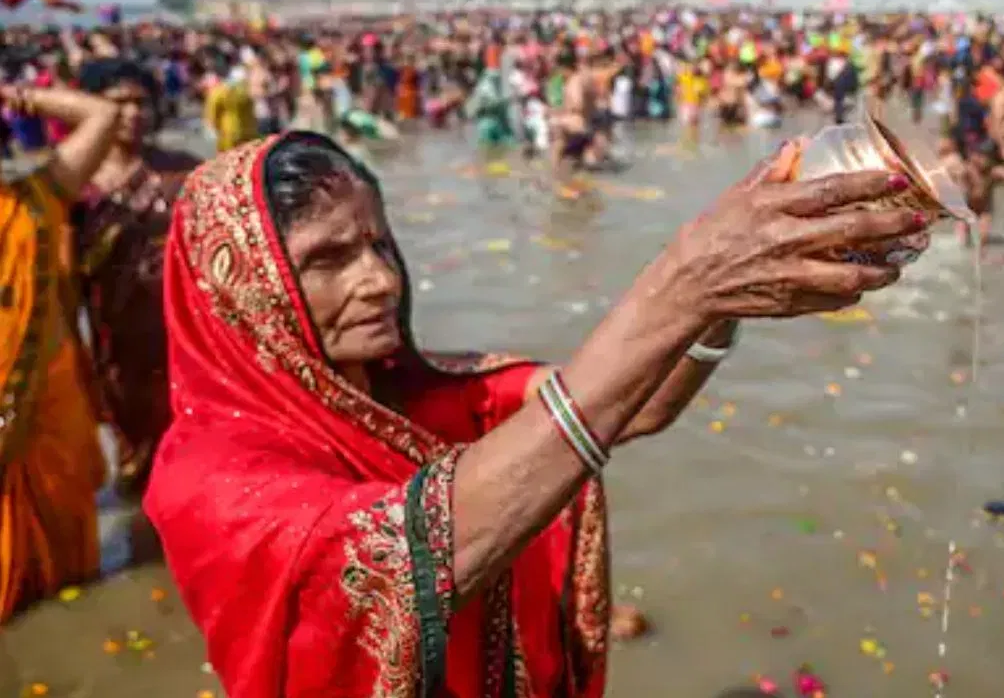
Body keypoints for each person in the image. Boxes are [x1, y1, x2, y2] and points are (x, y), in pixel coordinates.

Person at [144, 131, 928, 697]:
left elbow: (636, 404)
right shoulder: (208, 478)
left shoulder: (413, 392)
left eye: (380, 246)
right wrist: (686, 281)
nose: (379, 280)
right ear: (243, 295)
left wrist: (717, 307)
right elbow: (409, 556)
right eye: (328, 259)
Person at [0, 83, 119, 623]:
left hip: (48, 408)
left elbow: (102, 111)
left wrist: (16, 93)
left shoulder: (36, 197)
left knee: (71, 570)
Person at [75, 59, 201, 496]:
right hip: (115, 346)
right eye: (118, 103)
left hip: (183, 341)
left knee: (190, 456)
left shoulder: (183, 171)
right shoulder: (74, 185)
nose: (132, 113)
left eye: (141, 102)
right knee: (133, 459)